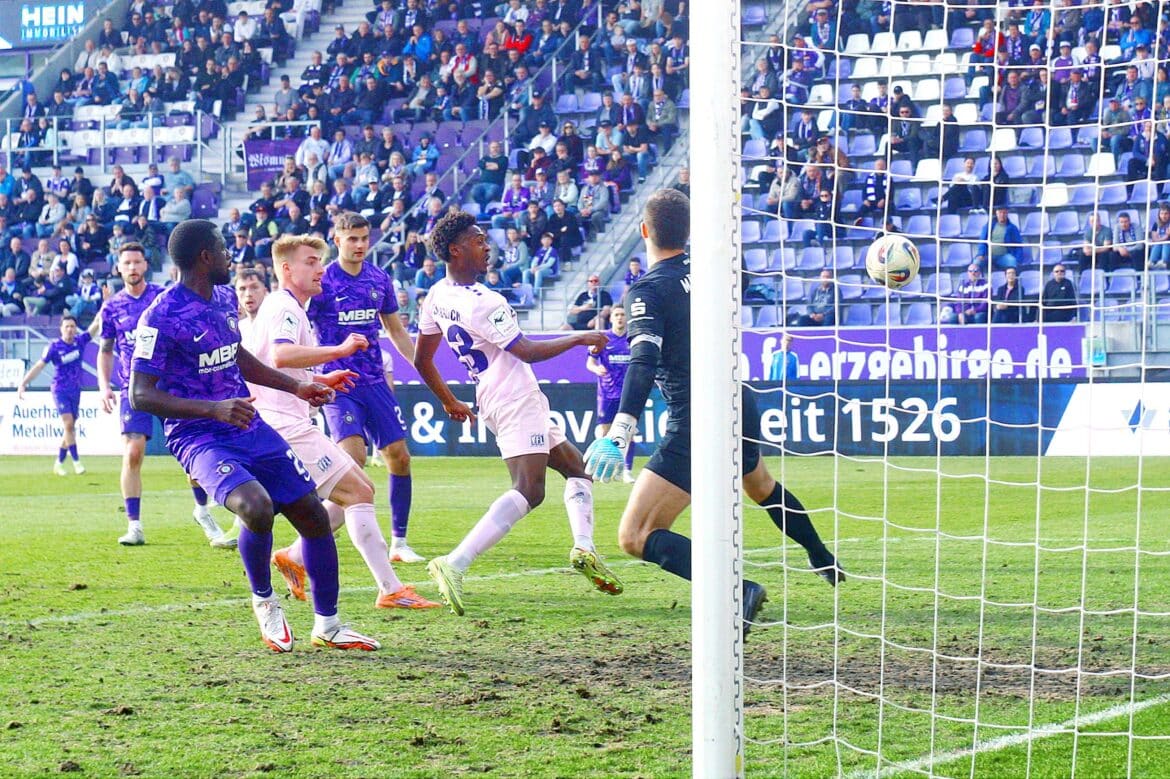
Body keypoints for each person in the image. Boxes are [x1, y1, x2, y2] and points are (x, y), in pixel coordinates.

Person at [583, 190, 844, 638]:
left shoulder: (647, 290)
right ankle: (820, 553)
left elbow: (643, 360)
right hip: (738, 399)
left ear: (644, 231)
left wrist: (620, 429)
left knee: (635, 534)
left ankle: (736, 591)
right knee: (760, 485)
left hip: (697, 420)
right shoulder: (714, 272)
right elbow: (739, 277)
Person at [129, 219, 380, 653]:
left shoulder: (225, 299)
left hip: (247, 422)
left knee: (314, 516)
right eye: (224, 249)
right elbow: (140, 394)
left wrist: (297, 386)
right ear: (206, 257)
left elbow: (238, 357)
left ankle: (329, 625)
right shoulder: (161, 315)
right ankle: (265, 603)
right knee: (257, 507)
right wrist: (213, 408)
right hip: (198, 434)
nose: (231, 256)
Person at [413, 210, 623, 616]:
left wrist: (448, 399)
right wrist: (580, 336)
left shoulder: (436, 295)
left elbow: (422, 359)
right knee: (530, 489)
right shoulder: (487, 302)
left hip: (499, 393)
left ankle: (585, 548)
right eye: (477, 241)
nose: (486, 245)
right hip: (513, 396)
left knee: (577, 469)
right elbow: (525, 351)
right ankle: (454, 563)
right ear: (455, 250)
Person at [246, 234, 440, 611]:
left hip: (279, 422)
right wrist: (339, 351)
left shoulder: (284, 306)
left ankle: (295, 557)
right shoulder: (284, 308)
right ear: (286, 269)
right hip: (287, 427)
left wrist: (318, 380)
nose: (321, 268)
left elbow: (270, 366)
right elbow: (282, 355)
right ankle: (389, 588)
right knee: (359, 492)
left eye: (320, 261)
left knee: (354, 489)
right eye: (311, 262)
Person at [307, 212, 423, 563]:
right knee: (353, 459)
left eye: (364, 238)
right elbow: (300, 323)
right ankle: (318, 533)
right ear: (337, 240)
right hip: (337, 382)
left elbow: (396, 331)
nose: (359, 245)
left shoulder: (379, 279)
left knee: (399, 457)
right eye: (352, 238)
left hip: (373, 381)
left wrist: (423, 366)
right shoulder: (321, 281)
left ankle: (399, 542)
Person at [98, 243, 228, 546]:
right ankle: (135, 525)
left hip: (171, 386)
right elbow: (105, 350)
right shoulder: (112, 307)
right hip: (135, 389)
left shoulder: (163, 298)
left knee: (192, 457)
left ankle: (202, 510)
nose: (132, 268)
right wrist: (104, 385)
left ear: (145, 265)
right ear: (119, 268)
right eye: (126, 263)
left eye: (137, 262)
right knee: (133, 452)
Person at [17, 313, 102, 474]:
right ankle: (77, 462)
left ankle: (59, 462)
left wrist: (106, 304)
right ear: (61, 329)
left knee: (69, 428)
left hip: (75, 389)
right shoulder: (54, 347)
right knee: (68, 424)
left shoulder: (80, 341)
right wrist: (24, 382)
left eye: (72, 326)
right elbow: (39, 366)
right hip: (60, 389)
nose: (70, 330)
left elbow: (96, 325)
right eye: (67, 327)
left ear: (76, 328)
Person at [586, 303, 635, 483]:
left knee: (628, 431)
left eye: (623, 314)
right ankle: (599, 464)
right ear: (611, 318)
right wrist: (596, 369)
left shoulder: (633, 338)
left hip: (629, 393)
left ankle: (627, 471)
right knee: (603, 431)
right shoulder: (603, 339)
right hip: (607, 392)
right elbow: (590, 363)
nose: (620, 318)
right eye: (617, 315)